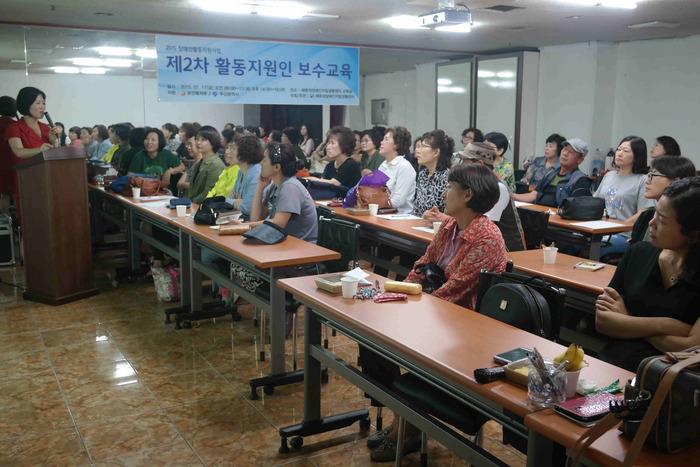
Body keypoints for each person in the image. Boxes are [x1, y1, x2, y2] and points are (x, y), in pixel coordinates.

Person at [367, 163, 508, 462]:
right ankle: (402, 420)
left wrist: (404, 309)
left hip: (463, 329)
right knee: (372, 338)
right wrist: (395, 292)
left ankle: (405, 428)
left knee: (389, 338)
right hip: (435, 312)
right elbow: (423, 266)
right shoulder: (450, 226)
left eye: (450, 188)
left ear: (467, 195)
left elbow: (453, 292)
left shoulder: (487, 237)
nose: (444, 193)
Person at [595, 177, 700, 372]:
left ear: (692, 234)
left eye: (662, 219)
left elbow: (691, 348)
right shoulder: (638, 253)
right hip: (612, 365)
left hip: (668, 381)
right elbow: (603, 322)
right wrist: (664, 324)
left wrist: (628, 320)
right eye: (655, 214)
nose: (651, 223)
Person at [230, 142, 318, 243]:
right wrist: (260, 186)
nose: (261, 163)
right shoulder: (274, 186)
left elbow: (278, 223)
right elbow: (255, 218)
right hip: (282, 243)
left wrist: (244, 226)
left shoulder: (290, 187)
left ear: (276, 167)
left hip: (301, 248)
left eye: (264, 160)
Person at [594, 135, 655, 231]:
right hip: (599, 228)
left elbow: (643, 212)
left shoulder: (643, 180)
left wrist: (620, 227)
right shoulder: (609, 175)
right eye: (618, 150)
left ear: (637, 156)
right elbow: (595, 202)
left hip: (623, 232)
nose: (619, 154)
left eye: (626, 151)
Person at [630, 156, 696, 244]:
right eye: (649, 175)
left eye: (653, 175)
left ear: (676, 182)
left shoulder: (686, 221)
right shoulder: (646, 216)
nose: (647, 181)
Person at [513, 138, 591, 208]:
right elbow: (532, 196)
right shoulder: (550, 173)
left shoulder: (580, 180)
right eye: (564, 149)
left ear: (580, 160)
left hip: (558, 221)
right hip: (540, 216)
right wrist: (510, 195)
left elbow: (575, 209)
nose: (565, 154)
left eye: (571, 152)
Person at [412, 129, 453, 217]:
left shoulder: (448, 177)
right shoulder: (422, 174)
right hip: (419, 225)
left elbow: (452, 214)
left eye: (423, 146)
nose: (417, 150)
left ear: (436, 152)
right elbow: (417, 209)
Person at [377, 126, 416, 214]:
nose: (381, 142)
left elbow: (399, 201)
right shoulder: (383, 165)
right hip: (382, 213)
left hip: (400, 217)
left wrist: (374, 204)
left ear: (396, 145)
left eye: (386, 139)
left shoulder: (404, 166)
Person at [183, 126, 225, 204]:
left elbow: (208, 193)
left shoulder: (215, 165)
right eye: (197, 139)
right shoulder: (200, 162)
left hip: (202, 207)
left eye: (203, 140)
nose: (198, 142)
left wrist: (191, 203)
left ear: (213, 142)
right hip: (192, 205)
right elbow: (192, 189)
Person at [226, 134, 263, 220]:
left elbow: (247, 208)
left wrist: (235, 202)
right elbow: (228, 199)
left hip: (250, 222)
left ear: (245, 152)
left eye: (234, 149)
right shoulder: (240, 171)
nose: (229, 152)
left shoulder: (256, 174)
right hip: (239, 218)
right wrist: (236, 201)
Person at [0, 96, 18, 215]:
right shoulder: (16, 125)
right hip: (14, 163)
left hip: (1, 164)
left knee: (4, 194)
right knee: (16, 194)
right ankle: (18, 225)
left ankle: (5, 224)